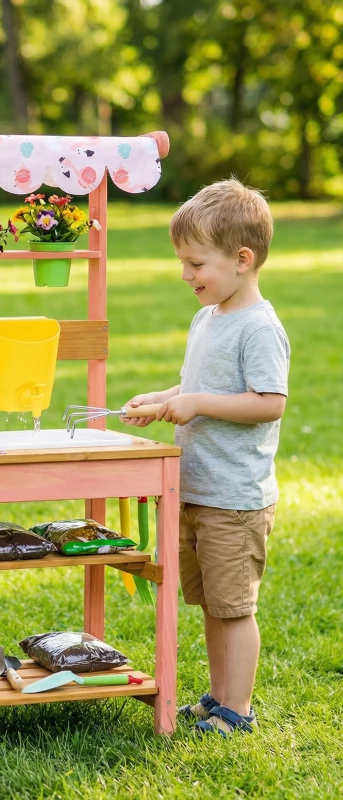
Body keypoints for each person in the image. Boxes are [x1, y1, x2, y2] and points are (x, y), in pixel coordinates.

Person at [121, 177, 290, 737]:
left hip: (234, 497)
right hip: (195, 489)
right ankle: (219, 698)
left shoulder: (259, 327)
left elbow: (269, 404)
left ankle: (238, 710)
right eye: (183, 264)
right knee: (211, 606)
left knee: (234, 608)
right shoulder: (208, 317)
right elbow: (193, 384)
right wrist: (163, 399)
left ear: (242, 260)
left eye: (196, 264)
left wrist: (195, 404)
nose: (186, 276)